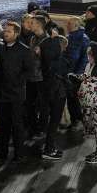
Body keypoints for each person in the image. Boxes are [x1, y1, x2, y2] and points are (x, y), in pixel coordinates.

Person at [0, 21, 31, 163]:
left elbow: (29, 70)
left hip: (16, 94)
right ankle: (2, 152)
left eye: (9, 31)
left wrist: (17, 80)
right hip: (0, 93)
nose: (5, 33)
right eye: (5, 31)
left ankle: (19, 154)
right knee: (3, 124)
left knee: (17, 125)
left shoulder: (24, 50)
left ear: (16, 34)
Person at [29, 16, 67, 161]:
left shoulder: (45, 51)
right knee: (54, 119)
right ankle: (49, 148)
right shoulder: (56, 58)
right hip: (54, 88)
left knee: (49, 116)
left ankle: (48, 145)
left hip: (47, 85)